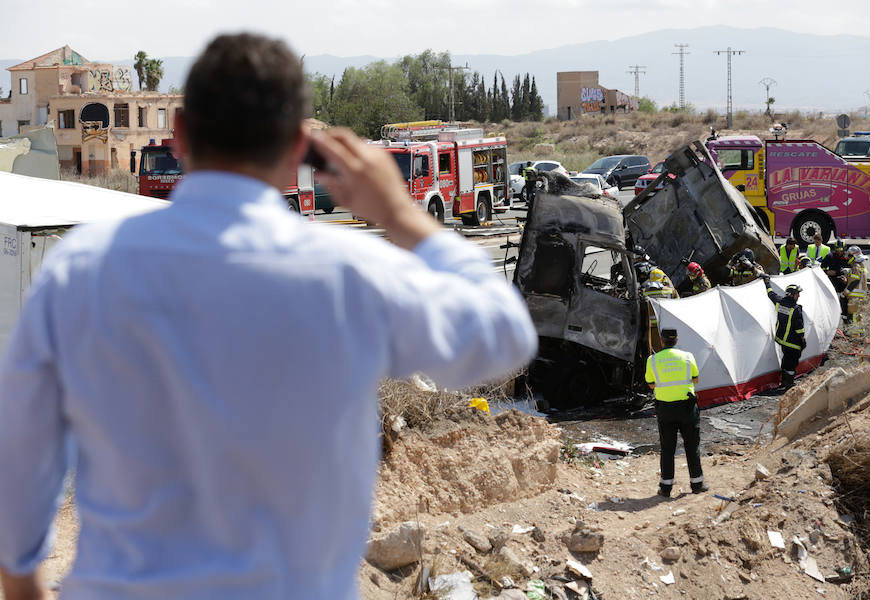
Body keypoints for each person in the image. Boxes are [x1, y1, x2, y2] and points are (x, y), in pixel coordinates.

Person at [0, 34, 538, 600]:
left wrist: (23, 586)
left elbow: (21, 462)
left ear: (179, 135)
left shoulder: (78, 272)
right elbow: (504, 333)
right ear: (299, 145)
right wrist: (401, 215)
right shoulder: (351, 276)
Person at [645, 328, 707, 497]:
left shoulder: (653, 360)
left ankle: (665, 488)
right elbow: (696, 379)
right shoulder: (688, 357)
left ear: (662, 340)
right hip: (687, 407)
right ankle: (697, 484)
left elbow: (651, 384)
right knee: (692, 445)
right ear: (677, 340)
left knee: (667, 448)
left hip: (665, 409)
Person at [763, 277, 806, 390]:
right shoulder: (796, 309)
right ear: (791, 294)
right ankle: (789, 383)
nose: (799, 296)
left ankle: (784, 381)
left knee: (786, 359)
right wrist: (802, 340)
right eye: (797, 294)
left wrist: (767, 283)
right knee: (792, 363)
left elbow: (771, 294)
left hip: (782, 340)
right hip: (793, 342)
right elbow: (799, 328)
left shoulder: (779, 302)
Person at [821, 239, 851, 315]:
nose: (839, 252)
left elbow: (852, 270)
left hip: (844, 283)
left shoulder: (847, 258)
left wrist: (847, 279)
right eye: (837, 250)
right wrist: (827, 272)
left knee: (845, 302)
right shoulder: (830, 256)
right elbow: (821, 268)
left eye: (841, 250)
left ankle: (844, 314)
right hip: (832, 282)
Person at [844, 246, 868, 324]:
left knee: (852, 316)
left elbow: (855, 281)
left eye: (849, 256)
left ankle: (854, 334)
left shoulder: (855, 267)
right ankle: (861, 334)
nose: (847, 258)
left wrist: (845, 292)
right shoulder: (861, 266)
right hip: (861, 296)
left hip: (855, 296)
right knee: (858, 316)